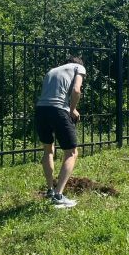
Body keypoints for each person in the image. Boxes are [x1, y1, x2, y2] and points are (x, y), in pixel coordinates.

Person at [34, 56, 86, 208]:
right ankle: (58, 196)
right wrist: (72, 110)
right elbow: (76, 90)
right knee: (71, 153)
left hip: (41, 110)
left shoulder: (52, 71)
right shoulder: (78, 68)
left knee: (48, 150)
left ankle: (50, 190)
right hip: (58, 111)